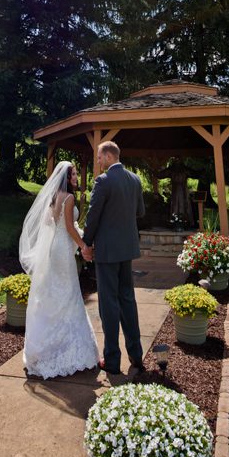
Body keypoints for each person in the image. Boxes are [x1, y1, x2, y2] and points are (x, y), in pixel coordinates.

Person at [19, 160, 99, 379]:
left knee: (54, 293)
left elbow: (49, 223)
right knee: (68, 293)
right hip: (63, 250)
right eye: (73, 174)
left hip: (54, 248)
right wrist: (83, 245)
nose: (76, 177)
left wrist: (70, 233)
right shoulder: (69, 198)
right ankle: (67, 349)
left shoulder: (54, 196)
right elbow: (70, 227)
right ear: (66, 177)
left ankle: (47, 347)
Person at [81, 141, 145, 376]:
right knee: (128, 299)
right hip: (127, 249)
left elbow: (93, 216)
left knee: (108, 303)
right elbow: (140, 212)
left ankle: (112, 361)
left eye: (99, 157)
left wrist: (86, 243)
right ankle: (136, 356)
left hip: (107, 252)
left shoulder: (104, 181)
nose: (98, 161)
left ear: (108, 156)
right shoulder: (135, 180)